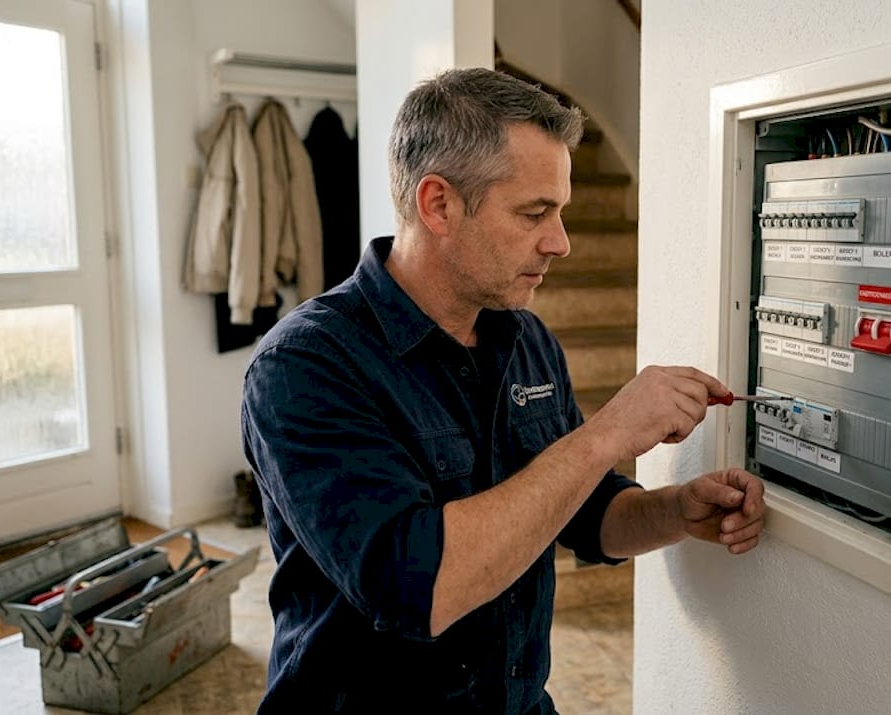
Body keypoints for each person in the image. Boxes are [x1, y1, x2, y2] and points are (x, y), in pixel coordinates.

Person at [240, 67, 765, 714]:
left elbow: (583, 507)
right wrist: (607, 433)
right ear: (438, 204)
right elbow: (415, 588)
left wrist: (676, 511)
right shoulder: (305, 366)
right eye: (534, 212)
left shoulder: (527, 340)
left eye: (563, 211)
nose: (562, 242)